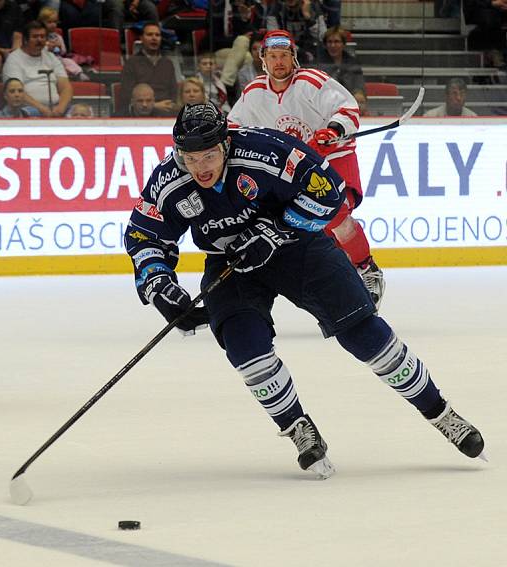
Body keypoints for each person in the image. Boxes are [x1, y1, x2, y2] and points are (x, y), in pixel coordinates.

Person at [124, 102, 486, 477]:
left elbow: (328, 192)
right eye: (190, 158)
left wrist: (276, 230)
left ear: (227, 144)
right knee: (244, 344)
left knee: (364, 335)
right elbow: (144, 235)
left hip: (297, 248)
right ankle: (298, 427)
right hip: (232, 263)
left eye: (209, 155)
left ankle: (440, 412)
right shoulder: (169, 180)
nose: (200, 167)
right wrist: (160, 285)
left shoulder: (265, 150)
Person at [228, 30, 385, 309]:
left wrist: (331, 130)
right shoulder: (253, 93)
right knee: (303, 228)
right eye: (273, 56)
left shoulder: (311, 81)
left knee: (334, 214)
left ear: (293, 57)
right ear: (263, 59)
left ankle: (366, 268)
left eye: (284, 56)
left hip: (333, 158)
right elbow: (234, 128)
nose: (279, 62)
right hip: (294, 168)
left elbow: (347, 109)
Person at [2, 20, 72, 117]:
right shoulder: (14, 59)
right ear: (25, 39)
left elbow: (65, 87)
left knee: (80, 111)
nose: (39, 40)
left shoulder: (51, 57)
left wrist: (61, 108)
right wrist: (43, 109)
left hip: (55, 108)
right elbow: (15, 92)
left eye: (42, 36)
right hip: (27, 108)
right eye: (35, 37)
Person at [117, 22, 178, 117]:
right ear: (141, 38)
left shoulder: (167, 63)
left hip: (166, 111)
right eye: (149, 34)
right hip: (141, 111)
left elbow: (174, 92)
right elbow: (126, 95)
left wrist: (171, 105)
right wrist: (153, 105)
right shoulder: (132, 62)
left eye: (157, 35)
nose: (154, 38)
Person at [315, 26, 364, 98]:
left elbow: (358, 85)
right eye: (329, 42)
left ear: (343, 44)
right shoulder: (318, 63)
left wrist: (359, 93)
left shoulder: (353, 63)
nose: (333, 45)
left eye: (337, 41)